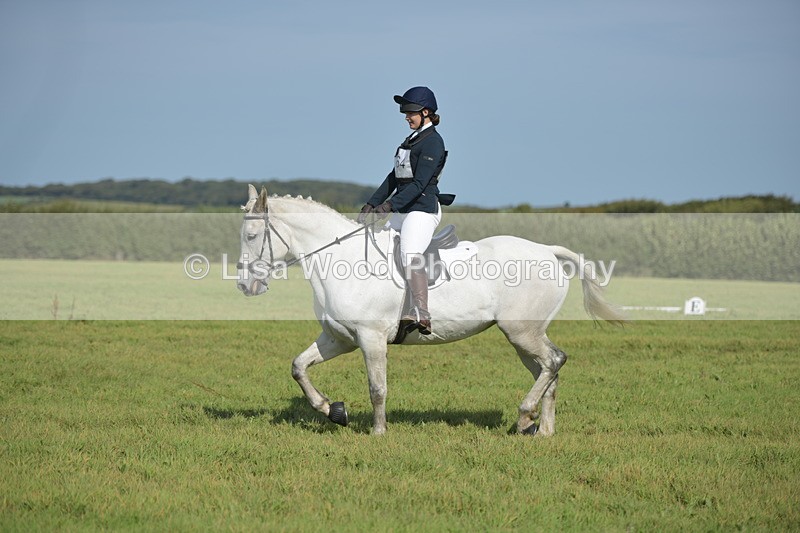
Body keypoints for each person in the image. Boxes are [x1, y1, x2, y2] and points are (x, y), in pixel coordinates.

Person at [357, 86, 454, 335]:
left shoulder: (433, 141)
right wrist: (372, 202)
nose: (406, 117)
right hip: (405, 208)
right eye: (405, 113)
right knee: (384, 246)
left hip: (422, 209)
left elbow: (420, 184)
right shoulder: (411, 140)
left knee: (410, 253)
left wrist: (389, 205)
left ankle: (421, 313)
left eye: (410, 113)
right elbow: (394, 177)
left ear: (425, 112)